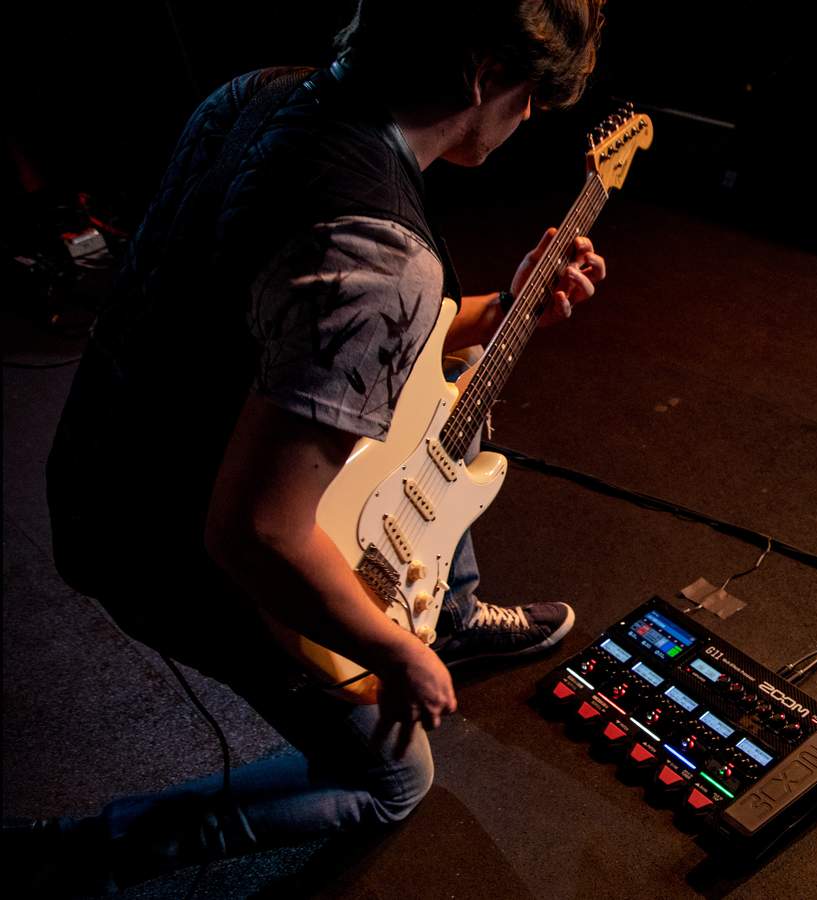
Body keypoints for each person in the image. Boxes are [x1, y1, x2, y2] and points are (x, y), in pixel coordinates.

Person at [22, 0, 607, 892]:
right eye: (529, 94)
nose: (528, 118)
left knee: (430, 446)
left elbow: (312, 330)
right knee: (394, 781)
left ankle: (448, 614)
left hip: (102, 463)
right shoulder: (379, 257)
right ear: (484, 73)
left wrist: (502, 303)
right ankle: (78, 851)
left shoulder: (256, 94)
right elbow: (255, 533)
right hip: (170, 548)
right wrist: (393, 652)